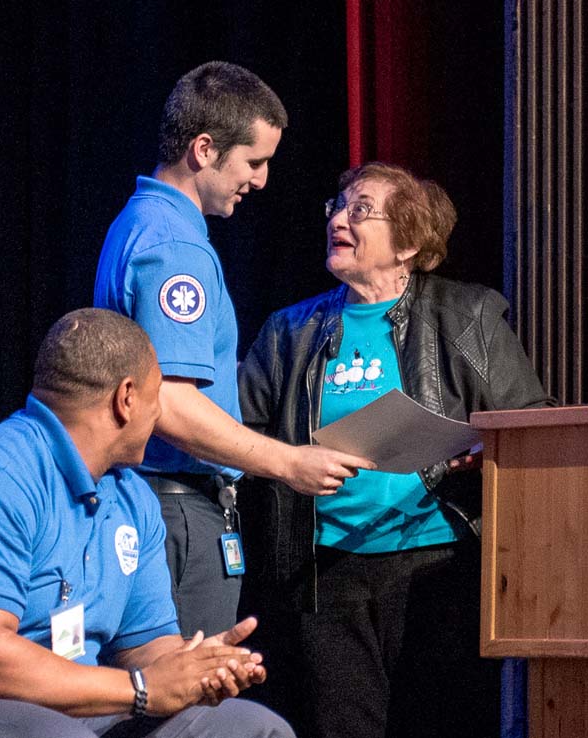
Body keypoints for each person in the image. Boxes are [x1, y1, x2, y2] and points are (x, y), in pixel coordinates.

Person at [236, 163, 555, 738]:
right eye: (338, 206)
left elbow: (530, 426)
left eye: (361, 209)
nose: (339, 219)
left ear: (408, 242)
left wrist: (481, 453)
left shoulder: (468, 317)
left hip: (439, 565)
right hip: (326, 570)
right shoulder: (289, 332)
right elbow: (236, 433)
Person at [94, 61, 373, 638]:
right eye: (254, 161)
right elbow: (170, 403)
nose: (263, 179)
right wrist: (289, 462)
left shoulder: (144, 221)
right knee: (181, 710)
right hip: (175, 511)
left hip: (168, 506)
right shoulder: (174, 244)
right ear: (203, 149)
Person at [0, 308, 295, 738]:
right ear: (127, 398)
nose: (159, 416)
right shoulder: (11, 472)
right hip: (15, 706)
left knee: (255, 729)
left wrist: (195, 667)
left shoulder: (132, 496)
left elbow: (143, 645)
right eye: (158, 396)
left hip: (97, 708)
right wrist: (140, 688)